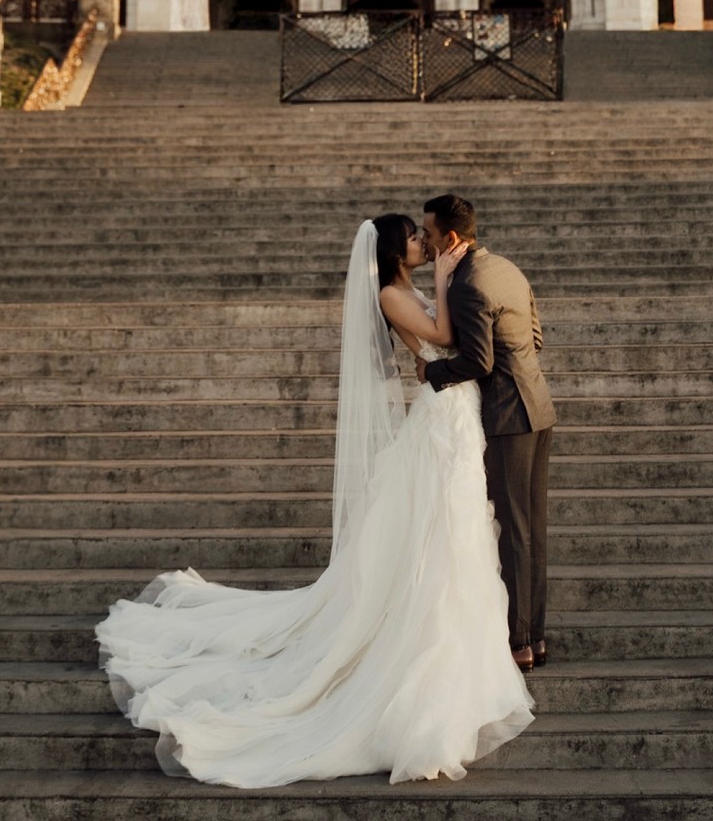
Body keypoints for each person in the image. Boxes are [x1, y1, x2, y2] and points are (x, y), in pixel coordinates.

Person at [96, 213, 534, 787]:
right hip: (442, 414)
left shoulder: (406, 286)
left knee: (452, 527)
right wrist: (450, 279)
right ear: (394, 250)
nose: (423, 243)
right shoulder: (389, 293)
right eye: (413, 237)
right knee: (442, 527)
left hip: (452, 407)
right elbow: (447, 337)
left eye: (423, 236)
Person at [419, 193, 556, 671]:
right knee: (532, 529)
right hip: (538, 406)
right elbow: (534, 338)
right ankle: (535, 636)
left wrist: (430, 374)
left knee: (514, 531)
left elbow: (480, 361)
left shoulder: (466, 285)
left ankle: (518, 641)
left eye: (430, 236)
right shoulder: (507, 268)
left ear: (451, 237)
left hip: (507, 416)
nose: (426, 244)